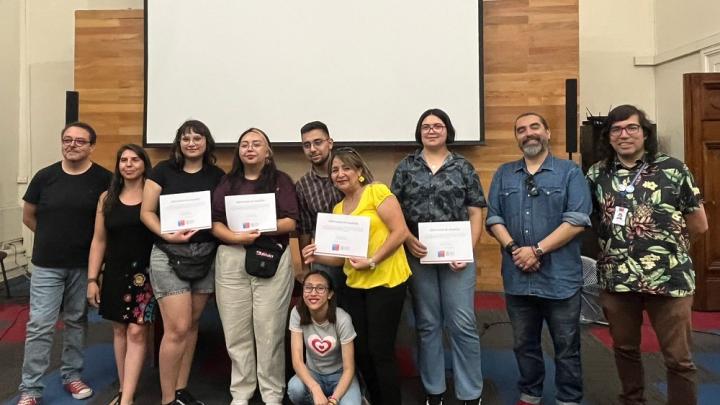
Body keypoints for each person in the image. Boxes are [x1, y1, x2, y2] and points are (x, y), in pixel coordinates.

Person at [586, 104, 708, 405]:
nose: (624, 135)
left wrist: (665, 247)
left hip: (668, 278)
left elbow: (699, 224)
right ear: (609, 136)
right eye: (616, 129)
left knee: (678, 359)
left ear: (645, 132)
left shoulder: (673, 169)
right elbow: (589, 220)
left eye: (631, 128)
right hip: (617, 280)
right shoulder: (597, 174)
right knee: (625, 350)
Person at [486, 112, 591, 405]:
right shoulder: (504, 173)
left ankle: (568, 398)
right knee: (523, 344)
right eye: (521, 129)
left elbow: (577, 220)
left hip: (561, 278)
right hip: (517, 276)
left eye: (534, 127)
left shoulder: (570, 172)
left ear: (547, 132)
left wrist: (537, 250)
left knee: (566, 345)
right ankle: (530, 393)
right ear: (516, 137)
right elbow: (494, 217)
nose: (528, 133)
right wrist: (513, 249)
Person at [302, 147, 411, 405]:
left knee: (380, 351)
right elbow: (341, 259)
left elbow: (400, 232)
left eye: (346, 168)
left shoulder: (377, 192)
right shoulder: (338, 210)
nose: (340, 174)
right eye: (335, 170)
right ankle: (374, 398)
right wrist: (316, 256)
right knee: (361, 351)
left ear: (359, 171)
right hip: (355, 285)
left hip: (387, 282)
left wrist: (372, 260)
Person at [391, 108, 485, 405]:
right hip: (418, 255)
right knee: (427, 324)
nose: (432, 130)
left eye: (438, 125)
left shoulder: (463, 167)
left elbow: (475, 210)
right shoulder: (406, 167)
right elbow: (394, 212)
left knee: (463, 323)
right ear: (419, 131)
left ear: (448, 131)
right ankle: (434, 390)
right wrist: (407, 239)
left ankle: (470, 392)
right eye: (426, 126)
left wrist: (467, 249)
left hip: (458, 257)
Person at [17, 122, 112, 405]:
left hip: (83, 266)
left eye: (80, 141)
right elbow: (29, 216)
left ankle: (72, 375)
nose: (72, 145)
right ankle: (30, 389)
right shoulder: (44, 177)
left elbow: (105, 225)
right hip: (47, 264)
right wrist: (51, 238)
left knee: (76, 321)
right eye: (67, 140)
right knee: (40, 325)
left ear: (91, 146)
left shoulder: (103, 179)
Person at [211, 127, 298, 405]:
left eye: (256, 144)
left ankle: (272, 393)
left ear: (267, 151)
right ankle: (242, 391)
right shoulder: (228, 182)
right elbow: (215, 222)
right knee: (236, 331)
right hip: (232, 258)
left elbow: (290, 222)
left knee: (269, 329)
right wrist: (236, 236)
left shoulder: (281, 181)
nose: (249, 148)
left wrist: (259, 229)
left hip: (270, 257)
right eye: (244, 144)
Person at [140, 120, 224, 405]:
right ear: (178, 142)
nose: (191, 143)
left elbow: (220, 214)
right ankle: (166, 398)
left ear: (206, 142)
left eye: (197, 138)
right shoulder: (162, 171)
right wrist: (168, 234)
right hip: (168, 253)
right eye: (185, 138)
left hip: (205, 255)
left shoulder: (217, 175)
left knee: (192, 324)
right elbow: (147, 212)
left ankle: (180, 390)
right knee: (176, 328)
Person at [87, 144, 155, 405]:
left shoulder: (154, 195)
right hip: (115, 271)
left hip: (145, 273)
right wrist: (93, 279)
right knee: (119, 331)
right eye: (123, 160)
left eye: (135, 159)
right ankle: (125, 386)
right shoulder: (107, 198)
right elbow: (99, 240)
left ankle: (126, 397)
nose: (128, 164)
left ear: (144, 164)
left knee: (137, 332)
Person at [287, 270, 361, 405]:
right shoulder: (297, 313)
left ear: (330, 294)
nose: (313, 293)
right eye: (308, 287)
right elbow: (297, 361)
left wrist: (333, 400)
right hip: (313, 373)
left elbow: (349, 368)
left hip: (340, 375)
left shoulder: (342, 319)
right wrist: (315, 389)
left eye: (320, 288)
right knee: (295, 389)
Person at [295, 121, 344, 297]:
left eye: (318, 142)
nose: (313, 149)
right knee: (328, 305)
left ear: (330, 143)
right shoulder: (303, 185)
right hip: (324, 255)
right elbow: (305, 228)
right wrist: (305, 265)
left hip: (358, 249)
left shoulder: (350, 171)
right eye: (306, 145)